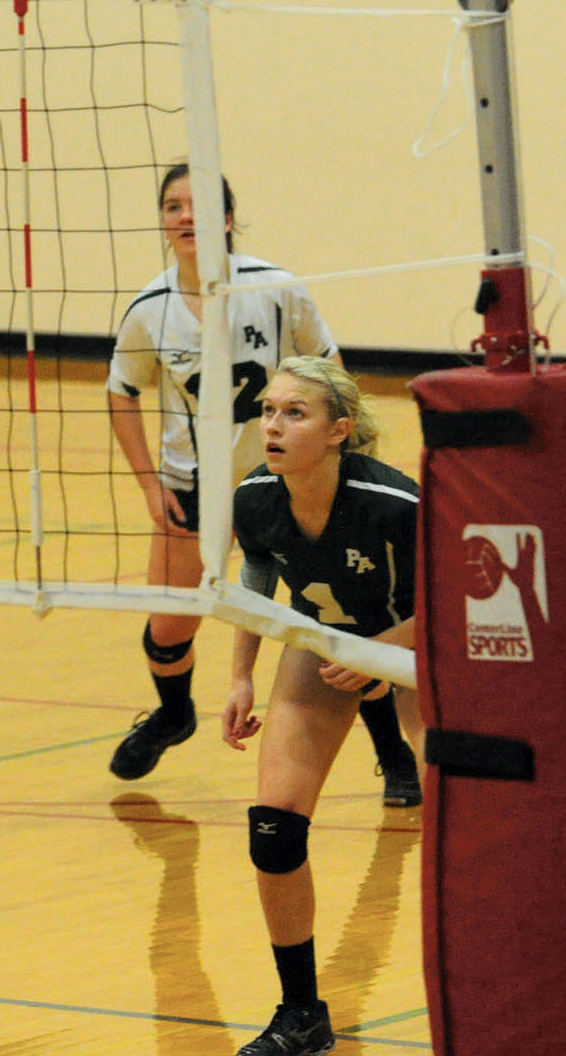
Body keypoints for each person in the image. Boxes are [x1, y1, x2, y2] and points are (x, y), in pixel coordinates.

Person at [105, 164, 419, 805]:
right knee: (169, 627)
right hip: (193, 491)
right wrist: (147, 485)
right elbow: (120, 392)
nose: (185, 217)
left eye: (199, 206)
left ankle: (396, 757)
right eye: (172, 206)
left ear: (227, 218)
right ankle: (173, 714)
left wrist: (339, 457)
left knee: (344, 614)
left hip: (285, 489)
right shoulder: (149, 309)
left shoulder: (275, 288)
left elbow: (330, 371)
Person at [219, 356, 422, 1056]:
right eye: (269, 410)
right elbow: (254, 585)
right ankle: (301, 1014)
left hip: (419, 650)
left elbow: (456, 604)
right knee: (273, 829)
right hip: (324, 643)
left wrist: (380, 653)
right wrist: (241, 675)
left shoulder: (396, 504)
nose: (273, 424)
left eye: (294, 413)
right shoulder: (253, 498)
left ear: (339, 431)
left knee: (468, 828)